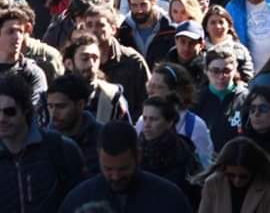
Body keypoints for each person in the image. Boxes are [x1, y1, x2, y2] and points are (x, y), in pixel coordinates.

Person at [59, 120, 192, 213]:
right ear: (98, 157)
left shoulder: (169, 198)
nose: (115, 176)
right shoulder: (78, 200)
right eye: (108, 169)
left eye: (123, 168)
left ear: (138, 156)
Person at [0, 73, 86, 213]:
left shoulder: (60, 149)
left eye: (9, 111)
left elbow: (82, 203)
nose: (1, 118)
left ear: (26, 111)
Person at [82, 4, 151, 119]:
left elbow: (147, 100)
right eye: (89, 25)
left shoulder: (132, 61)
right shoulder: (79, 60)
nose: (94, 30)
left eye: (100, 25)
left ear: (113, 29)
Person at [195, 136, 270, 213]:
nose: (237, 181)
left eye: (243, 176)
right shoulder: (213, 184)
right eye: (231, 175)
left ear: (254, 171)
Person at [138, 94, 202, 204]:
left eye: (153, 119)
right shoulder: (135, 148)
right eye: (145, 118)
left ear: (169, 122)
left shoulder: (181, 153)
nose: (147, 124)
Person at [61, 33, 130, 123]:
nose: (91, 64)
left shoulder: (112, 96)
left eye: (95, 58)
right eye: (84, 58)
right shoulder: (56, 97)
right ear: (69, 64)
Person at [46, 72, 103, 175]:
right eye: (50, 106)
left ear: (80, 105)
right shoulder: (45, 141)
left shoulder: (103, 138)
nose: (53, 113)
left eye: (61, 106)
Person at [194, 48, 248, 153]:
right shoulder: (196, 99)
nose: (221, 77)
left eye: (227, 71)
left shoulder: (246, 99)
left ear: (235, 69)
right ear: (206, 70)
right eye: (215, 71)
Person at [117, 0, 176, 67]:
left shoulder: (169, 28)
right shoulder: (124, 29)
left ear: (153, 1)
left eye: (143, 5)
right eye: (134, 5)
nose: (139, 10)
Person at [0, 6, 48, 110]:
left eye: (20, 31)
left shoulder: (32, 73)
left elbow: (35, 110)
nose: (17, 37)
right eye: (10, 31)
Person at [202, 6, 254, 82]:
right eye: (213, 22)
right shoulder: (200, 50)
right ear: (206, 27)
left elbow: (248, 78)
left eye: (221, 22)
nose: (217, 26)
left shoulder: (240, 51)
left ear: (229, 25)